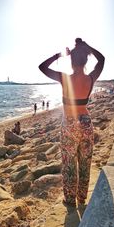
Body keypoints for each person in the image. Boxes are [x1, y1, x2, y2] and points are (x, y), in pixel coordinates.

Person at [39, 38, 105, 207]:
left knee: (69, 163)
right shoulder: (90, 78)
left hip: (69, 123)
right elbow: (102, 59)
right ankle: (82, 197)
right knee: (85, 162)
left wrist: (60, 55)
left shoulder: (64, 78)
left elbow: (42, 67)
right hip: (85, 122)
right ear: (85, 61)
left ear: (71, 61)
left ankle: (70, 199)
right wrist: (87, 47)